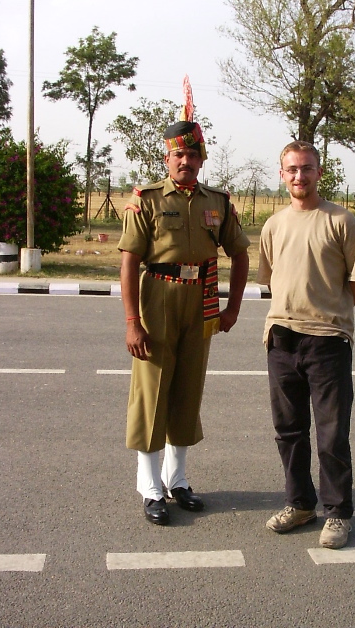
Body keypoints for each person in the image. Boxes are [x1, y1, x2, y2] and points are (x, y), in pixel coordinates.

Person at [118, 117, 250, 526]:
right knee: (153, 390)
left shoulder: (218, 202)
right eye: (179, 154)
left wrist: (233, 308)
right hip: (158, 295)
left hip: (202, 299)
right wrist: (131, 320)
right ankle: (150, 486)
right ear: (167, 157)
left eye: (193, 155)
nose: (186, 161)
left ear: (201, 159)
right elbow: (129, 261)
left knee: (188, 388)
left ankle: (178, 480)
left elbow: (240, 253)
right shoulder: (149, 199)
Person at [257, 141, 355, 549]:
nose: (299, 176)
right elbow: (270, 279)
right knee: (288, 431)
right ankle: (300, 503)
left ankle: (338, 513)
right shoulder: (273, 225)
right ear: (281, 174)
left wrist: (330, 311)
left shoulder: (341, 221)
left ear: (319, 172)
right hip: (281, 340)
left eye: (306, 168)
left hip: (327, 342)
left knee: (332, 435)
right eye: (291, 169)